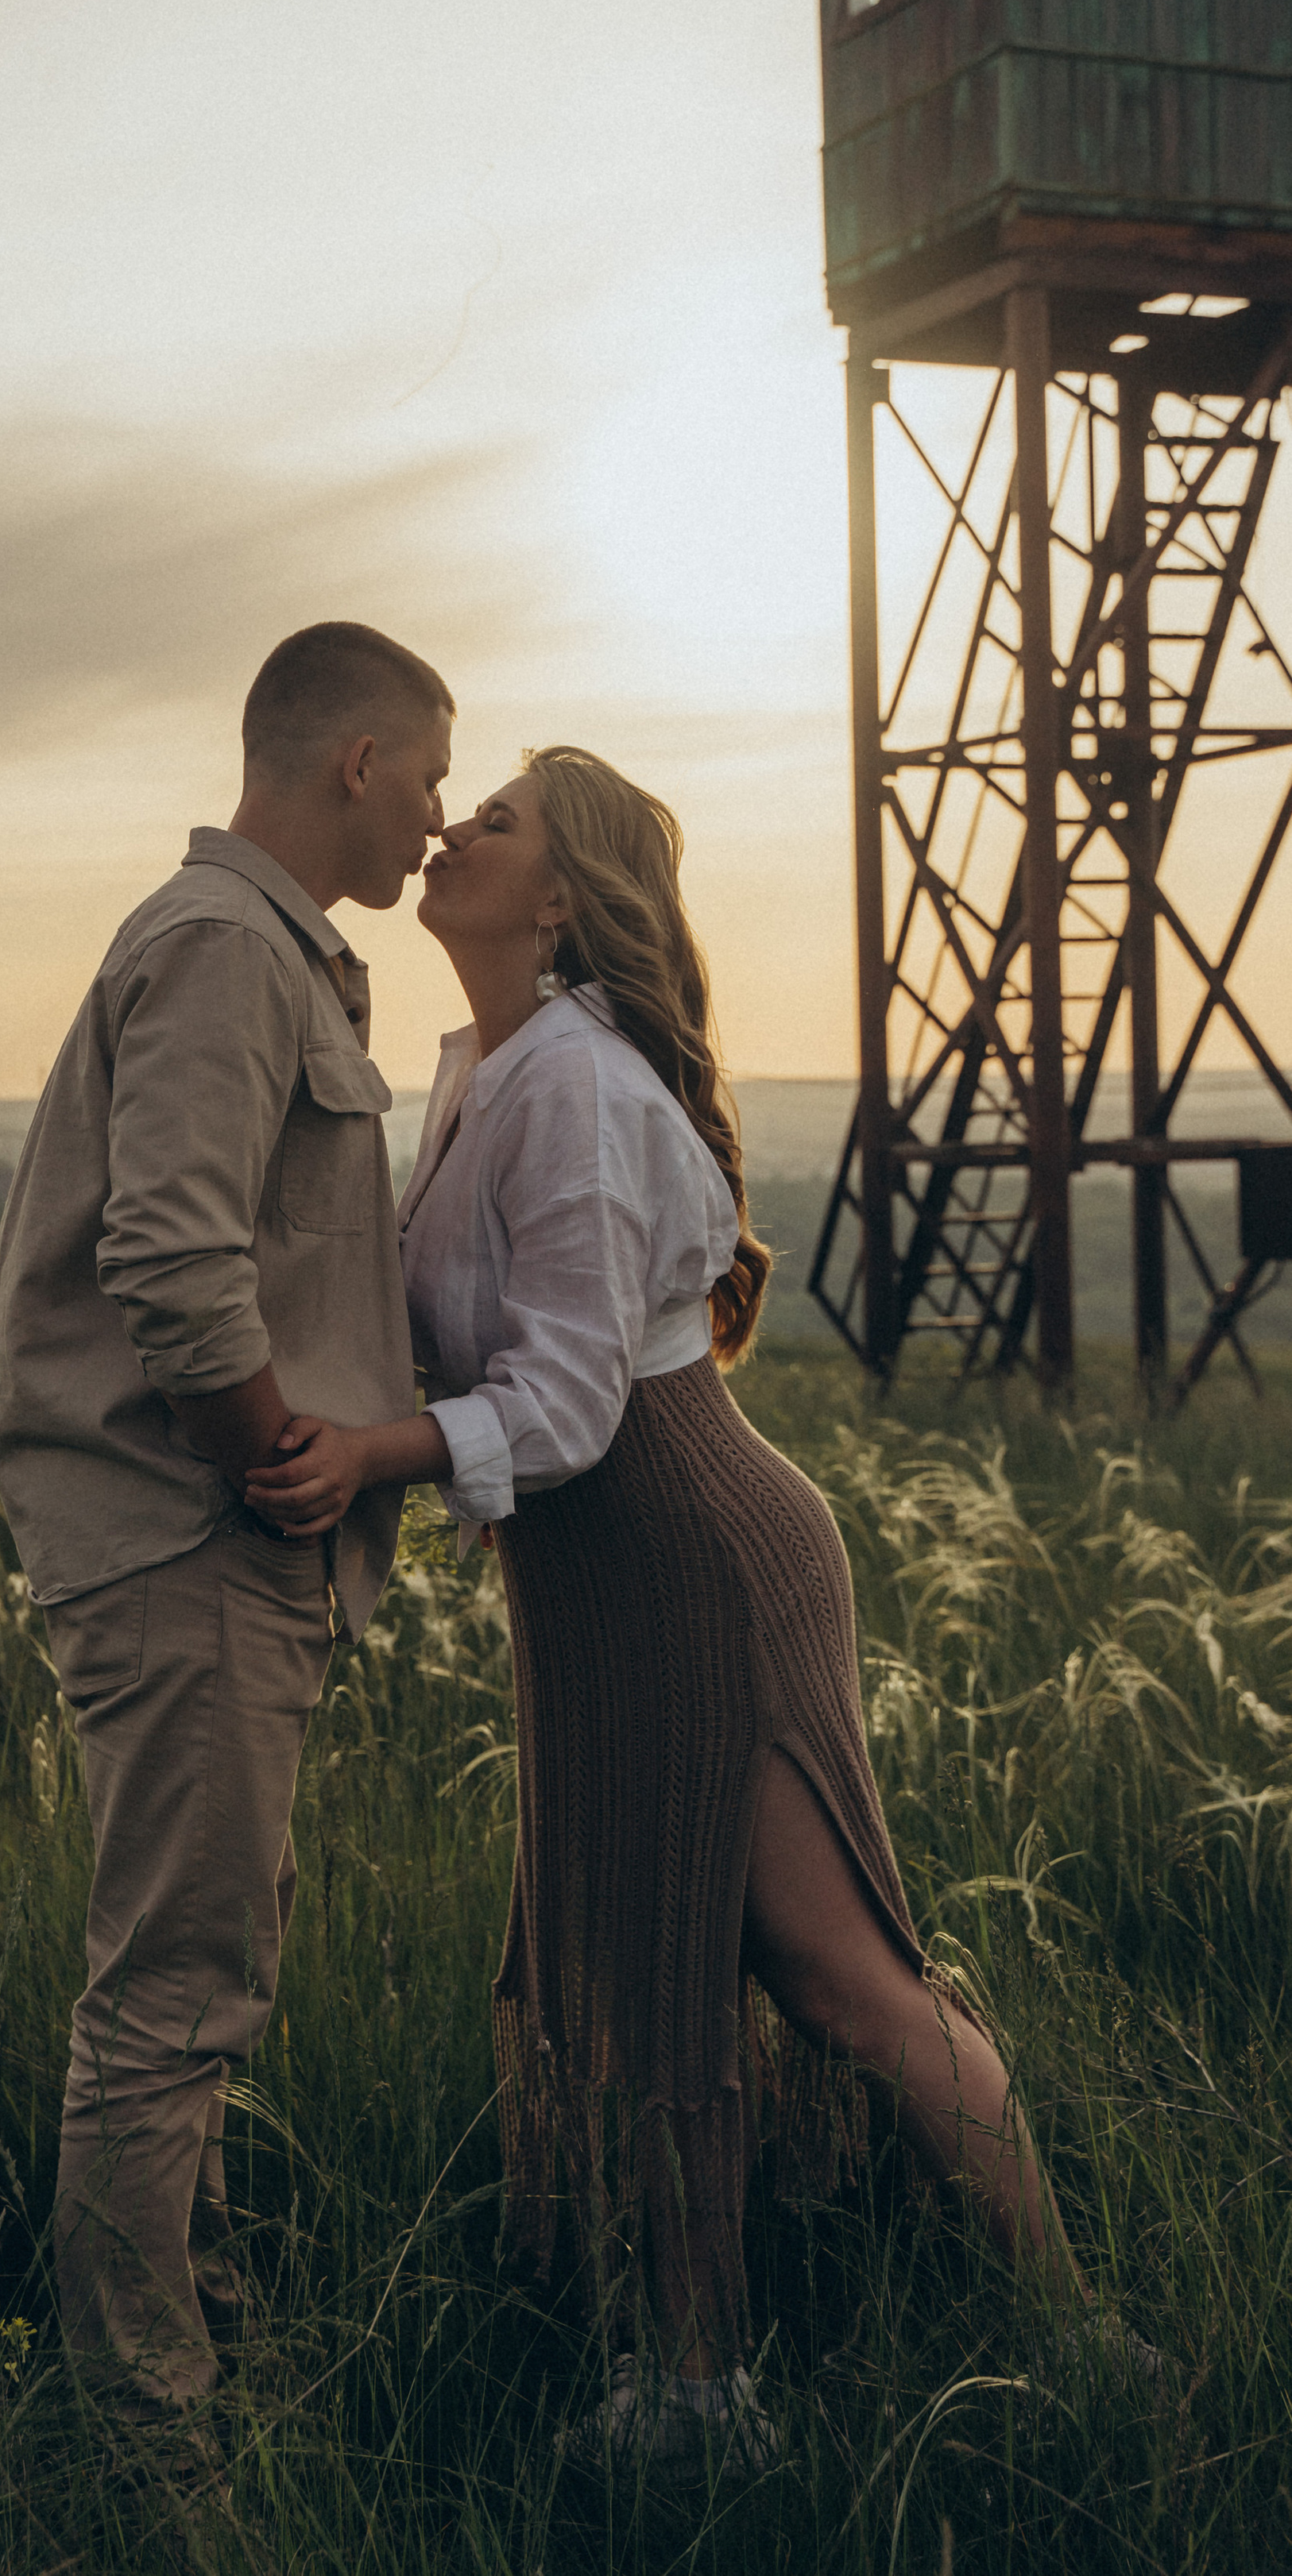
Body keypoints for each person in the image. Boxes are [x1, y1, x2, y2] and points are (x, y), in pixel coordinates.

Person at [245, 743, 1100, 2481]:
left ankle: (1080, 2346)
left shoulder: (569, 1081)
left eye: (494, 821)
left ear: (558, 895)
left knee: (840, 1982)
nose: (451, 828)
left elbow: (561, 1408)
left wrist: (365, 1459)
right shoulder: (478, 1064)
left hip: (694, 1557)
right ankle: (693, 2393)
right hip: (595, 1580)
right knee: (636, 1977)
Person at [0, 620, 457, 2421]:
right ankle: (154, 2448)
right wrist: (277, 1458)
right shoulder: (220, 953)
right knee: (170, 2002)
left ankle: (201, 2340)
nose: (429, 816)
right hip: (193, 1540)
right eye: (424, 774)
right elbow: (175, 1261)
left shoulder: (271, 957)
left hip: (215, 1550)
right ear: (355, 762)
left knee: (207, 1979)